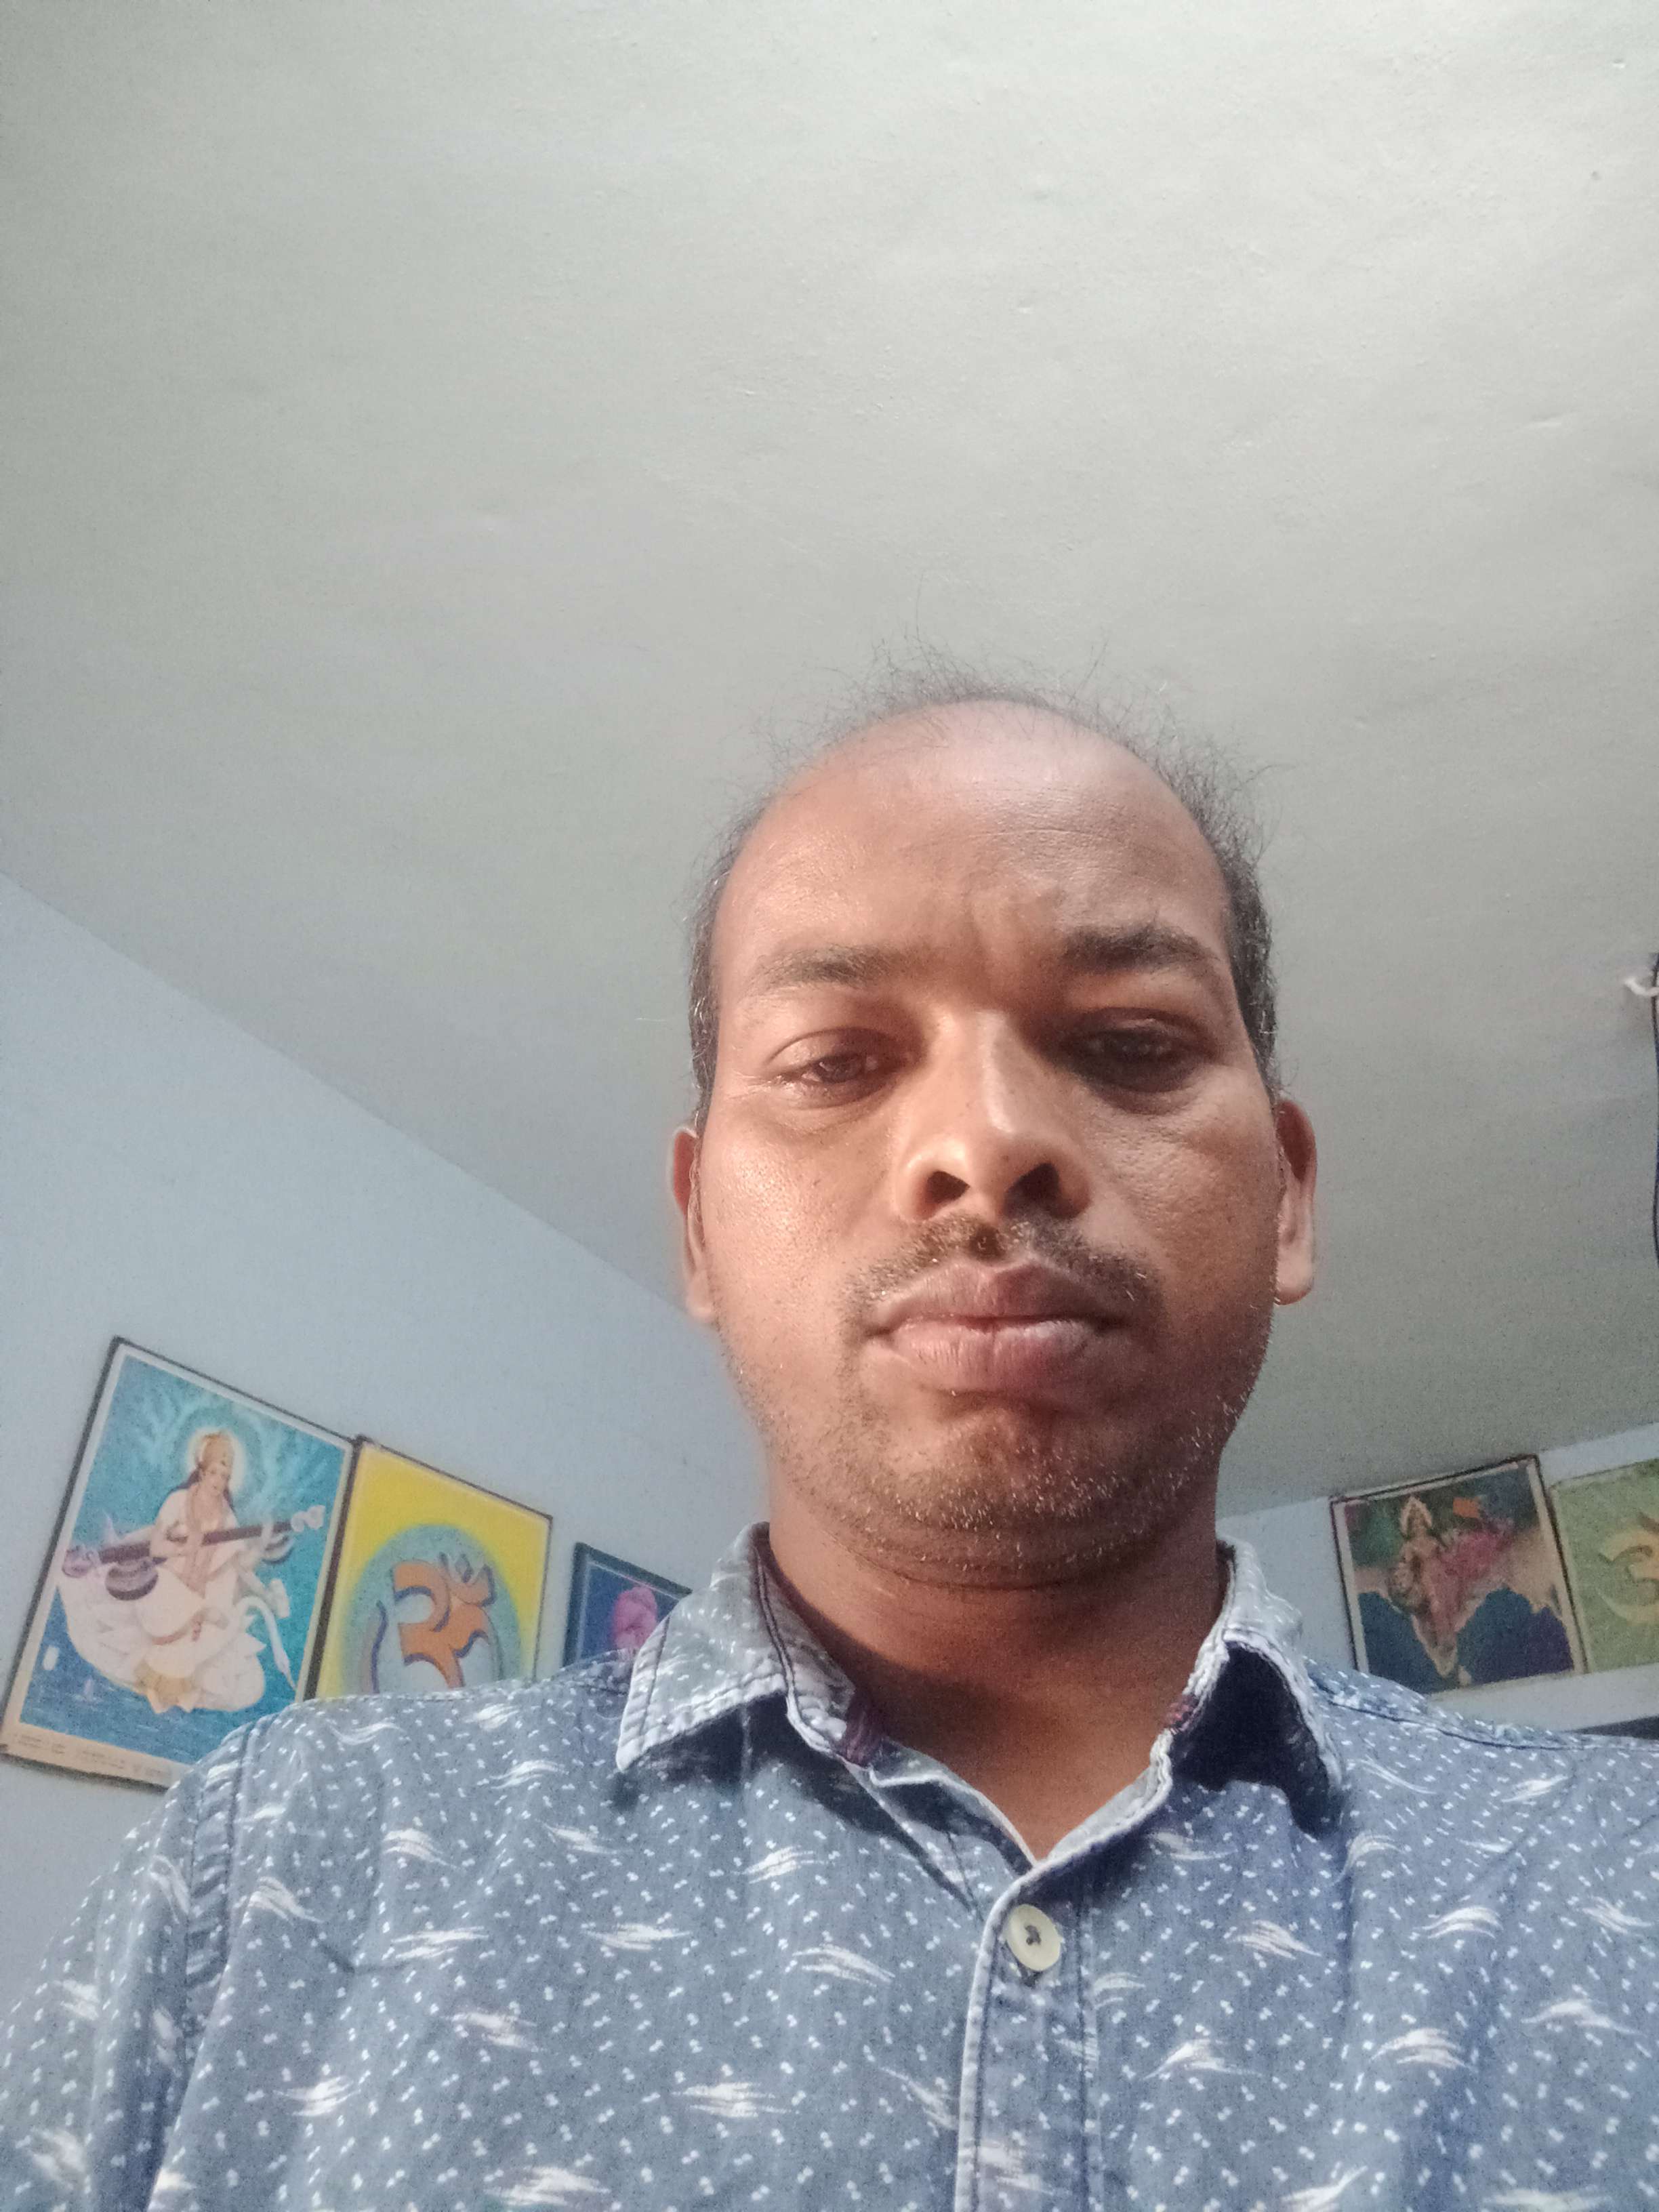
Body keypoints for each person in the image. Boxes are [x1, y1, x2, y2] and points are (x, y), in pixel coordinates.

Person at [4, 680, 1656, 2212]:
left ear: (1286, 1196)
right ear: (700, 1233)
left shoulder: (1622, 1880)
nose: (986, 1143)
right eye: (837, 1062)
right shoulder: (287, 1865)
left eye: (1130, 1046)